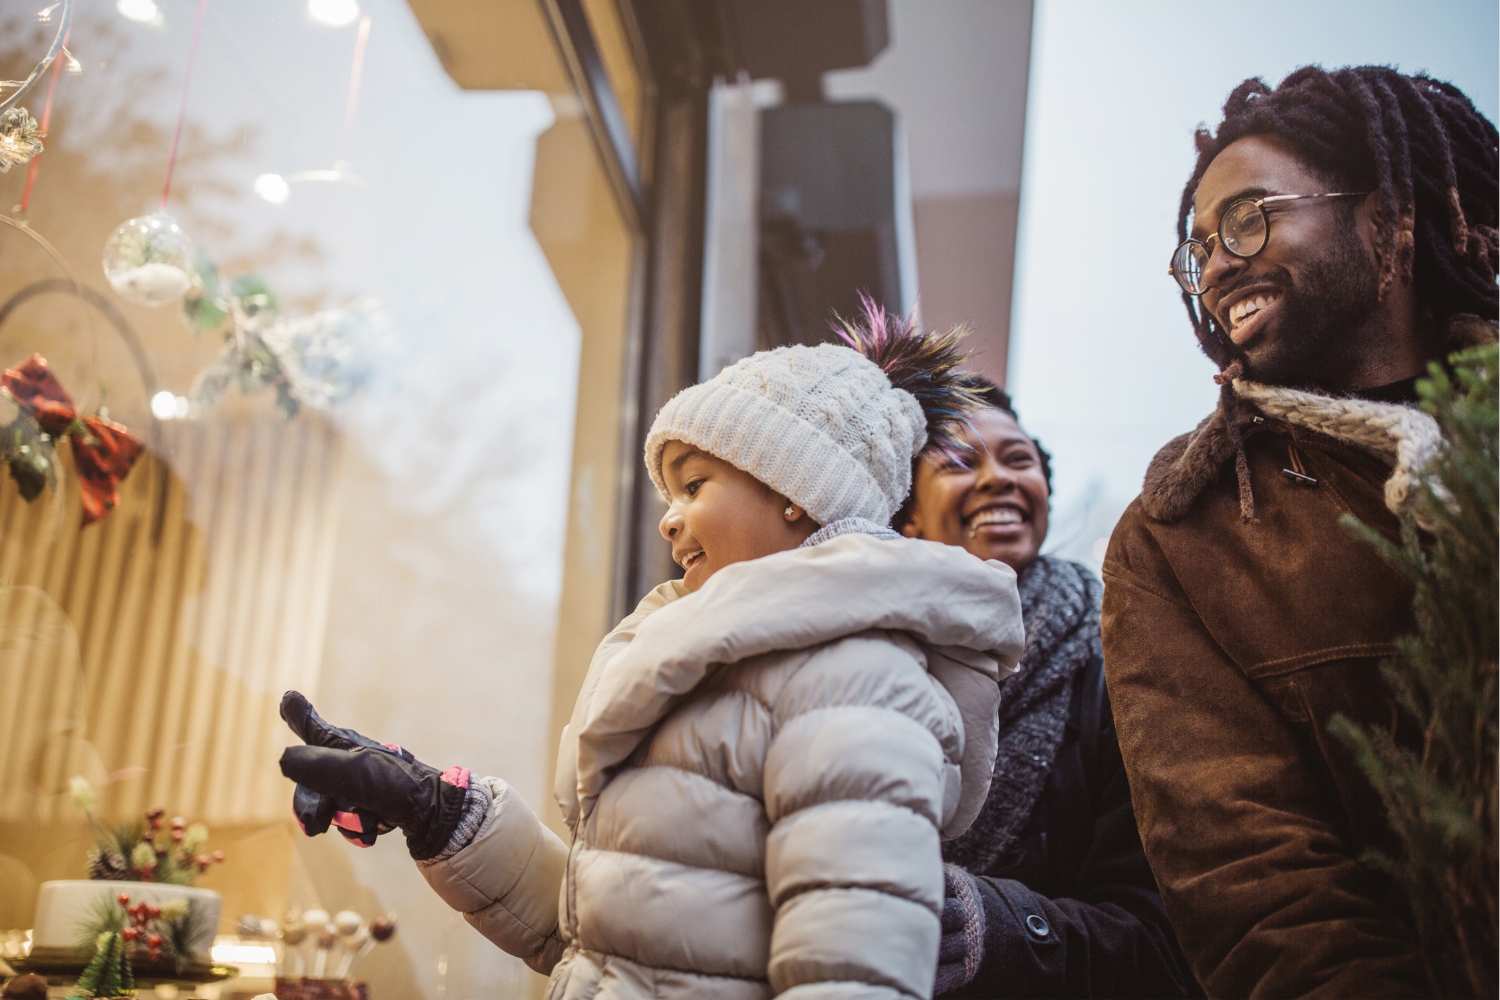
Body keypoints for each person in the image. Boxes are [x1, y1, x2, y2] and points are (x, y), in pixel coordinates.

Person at [277, 312, 1029, 998]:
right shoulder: (710, 665)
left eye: (694, 484)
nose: (670, 521)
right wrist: (438, 811)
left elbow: (853, 979)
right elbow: (605, 941)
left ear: (795, 489)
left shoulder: (853, 682)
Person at [1101, 66, 1497, 998]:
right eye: (1200, 248)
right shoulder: (1182, 538)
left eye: (1249, 218)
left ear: (1386, 215)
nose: (1220, 264)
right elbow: (1252, 888)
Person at [893, 380, 1193, 998]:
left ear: (1044, 492)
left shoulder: (1124, 668)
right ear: (908, 516)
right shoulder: (862, 662)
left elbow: (1165, 940)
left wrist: (989, 926)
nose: (997, 477)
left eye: (1018, 458)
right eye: (959, 462)